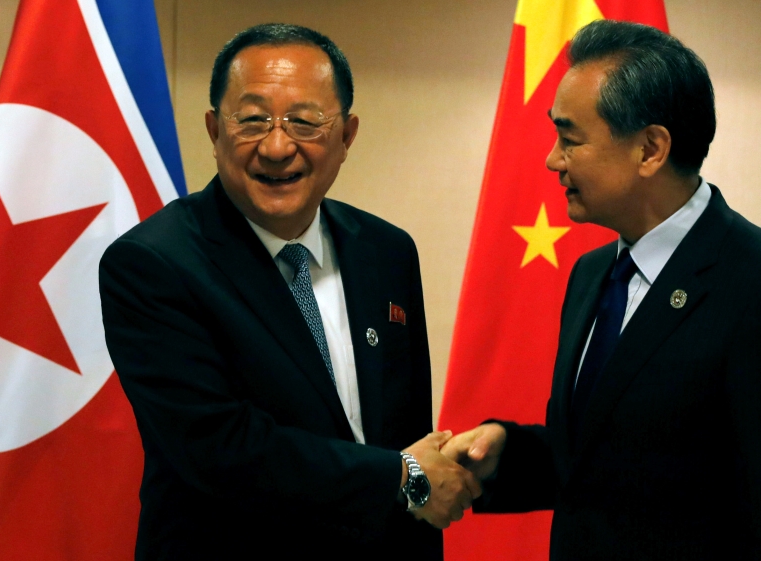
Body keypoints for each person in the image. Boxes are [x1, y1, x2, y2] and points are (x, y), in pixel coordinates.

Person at [441, 19, 761, 561]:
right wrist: (508, 453)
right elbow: (610, 459)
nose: (551, 159)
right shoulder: (593, 274)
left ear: (650, 149)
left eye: (570, 139)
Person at [99, 23, 479, 560]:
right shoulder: (153, 263)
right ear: (213, 130)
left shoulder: (387, 252)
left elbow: (406, 436)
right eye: (252, 120)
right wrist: (402, 478)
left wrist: (418, 479)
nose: (277, 147)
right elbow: (220, 450)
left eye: (304, 122)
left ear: (346, 136)